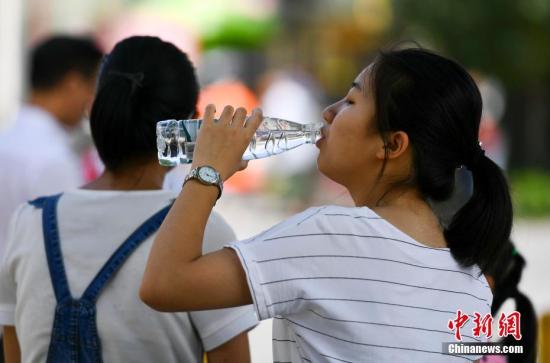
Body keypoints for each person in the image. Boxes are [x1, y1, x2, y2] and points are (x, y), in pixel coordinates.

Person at [141, 47, 514, 362]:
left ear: (392, 145)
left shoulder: (330, 236)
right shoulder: (474, 283)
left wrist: (207, 171)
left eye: (351, 100)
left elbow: (163, 284)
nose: (328, 113)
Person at [0, 36, 257, 362]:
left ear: (93, 110)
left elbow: (14, 353)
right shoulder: (204, 230)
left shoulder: (30, 220)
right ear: (189, 127)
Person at [0, 35, 102, 261]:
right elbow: (67, 244)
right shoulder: (53, 157)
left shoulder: (6, 140)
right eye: (92, 85)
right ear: (73, 83)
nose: (91, 98)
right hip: (27, 292)